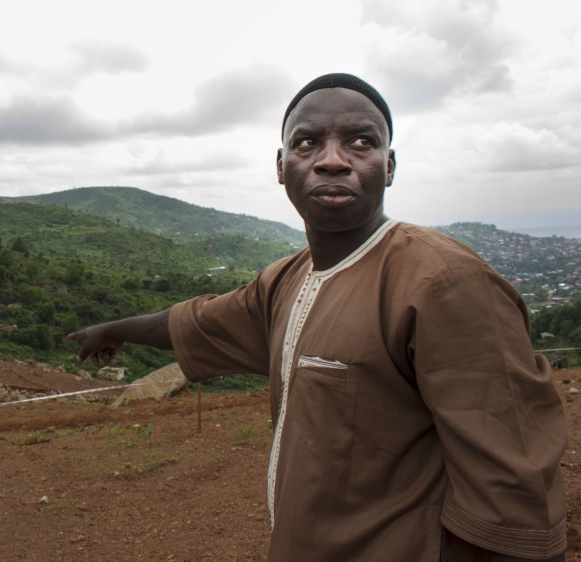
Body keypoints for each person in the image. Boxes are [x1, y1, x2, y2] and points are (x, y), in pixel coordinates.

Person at [68, 73, 567, 562]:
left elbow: (512, 490)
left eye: (361, 142)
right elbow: (192, 322)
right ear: (281, 166)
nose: (332, 160)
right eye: (306, 143)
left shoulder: (445, 282)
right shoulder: (287, 279)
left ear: (389, 166)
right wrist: (110, 331)